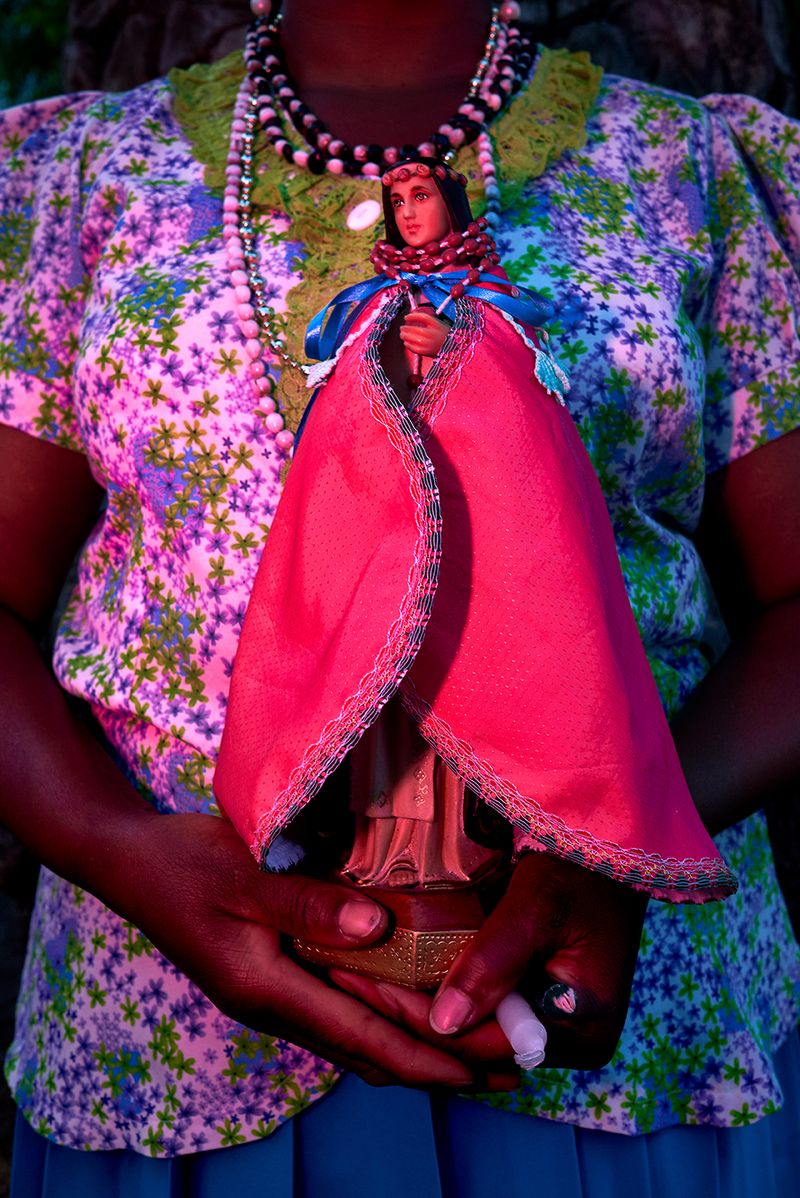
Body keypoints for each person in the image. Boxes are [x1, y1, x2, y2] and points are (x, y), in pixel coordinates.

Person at [0, 0, 798, 1194]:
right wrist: (112, 849)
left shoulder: (693, 168)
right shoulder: (74, 181)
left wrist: (618, 839)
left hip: (623, 1035)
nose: (413, 206)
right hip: (172, 1042)